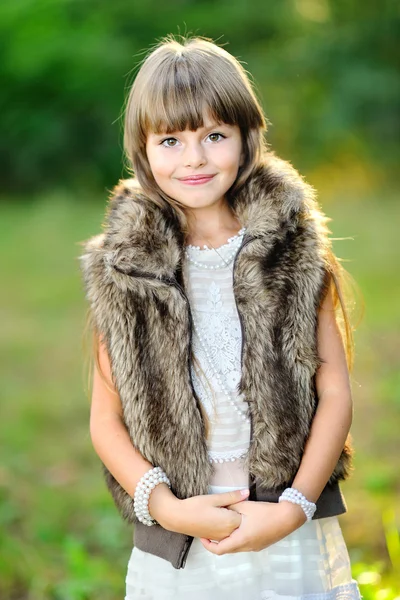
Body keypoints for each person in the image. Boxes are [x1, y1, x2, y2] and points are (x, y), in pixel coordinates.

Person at [80, 34, 362, 599]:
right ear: (142, 149)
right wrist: (166, 507)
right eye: (171, 140)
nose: (195, 159)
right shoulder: (128, 270)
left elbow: (334, 390)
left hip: (282, 514)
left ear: (245, 137)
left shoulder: (291, 251)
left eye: (214, 135)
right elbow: (105, 418)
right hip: (183, 529)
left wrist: (292, 509)